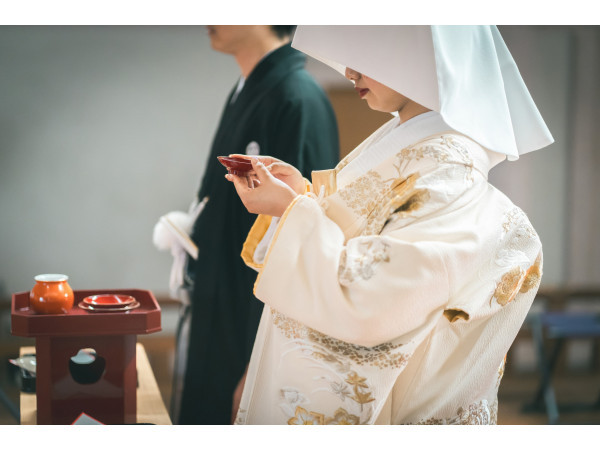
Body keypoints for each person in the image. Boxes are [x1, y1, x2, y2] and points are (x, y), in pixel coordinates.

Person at [226, 26, 554, 425]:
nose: (349, 71)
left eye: (365, 53)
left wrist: (295, 209)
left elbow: (375, 298)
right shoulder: (410, 146)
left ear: (421, 52)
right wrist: (300, 198)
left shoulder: (449, 170)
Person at [172, 25, 340, 425]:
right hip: (221, 293)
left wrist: (259, 367)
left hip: (248, 319)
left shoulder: (295, 97)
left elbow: (297, 238)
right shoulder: (250, 87)